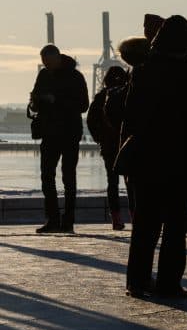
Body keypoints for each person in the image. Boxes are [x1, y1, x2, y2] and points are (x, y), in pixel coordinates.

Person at [121, 15, 187, 299]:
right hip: (180, 158)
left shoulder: (143, 70)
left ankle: (137, 280)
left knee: (145, 222)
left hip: (146, 158)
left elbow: (130, 115)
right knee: (175, 224)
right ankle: (169, 282)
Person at [27, 44, 89, 234]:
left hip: (69, 133)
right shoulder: (44, 75)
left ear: (57, 58)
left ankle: (68, 221)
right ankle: (53, 219)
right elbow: (35, 99)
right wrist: (36, 101)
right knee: (47, 176)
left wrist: (56, 100)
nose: (45, 65)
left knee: (68, 177)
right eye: (43, 62)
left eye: (47, 62)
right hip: (49, 133)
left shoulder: (75, 76)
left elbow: (83, 105)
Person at [105, 37, 152, 223]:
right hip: (153, 144)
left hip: (133, 143)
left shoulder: (138, 78)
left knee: (131, 186)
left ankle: (135, 220)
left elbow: (115, 112)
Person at [85, 65, 130, 230]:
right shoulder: (127, 95)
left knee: (112, 183)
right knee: (131, 183)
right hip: (127, 144)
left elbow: (90, 121)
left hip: (109, 147)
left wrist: (99, 138)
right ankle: (136, 216)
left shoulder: (101, 97)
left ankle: (116, 219)